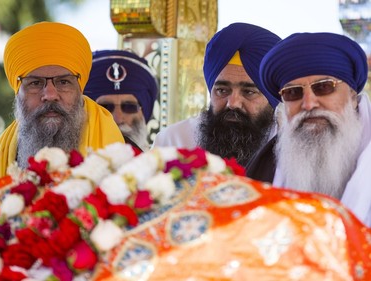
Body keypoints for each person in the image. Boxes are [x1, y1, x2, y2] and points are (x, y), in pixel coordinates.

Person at [246, 32, 371, 226]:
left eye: (324, 87)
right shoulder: (262, 169)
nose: (309, 104)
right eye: (292, 92)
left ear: (353, 97)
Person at [0, 22, 125, 178]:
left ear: (80, 89)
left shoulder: (125, 155)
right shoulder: (1, 155)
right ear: (18, 92)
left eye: (63, 82)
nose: (50, 95)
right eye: (35, 83)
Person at [153, 22, 281, 168]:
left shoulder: (290, 149)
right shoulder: (172, 142)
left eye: (249, 92)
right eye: (222, 90)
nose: (232, 103)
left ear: (271, 96)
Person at [84, 50, 158, 151]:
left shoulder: (163, 164)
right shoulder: (66, 164)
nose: (118, 119)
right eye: (105, 108)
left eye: (129, 107)